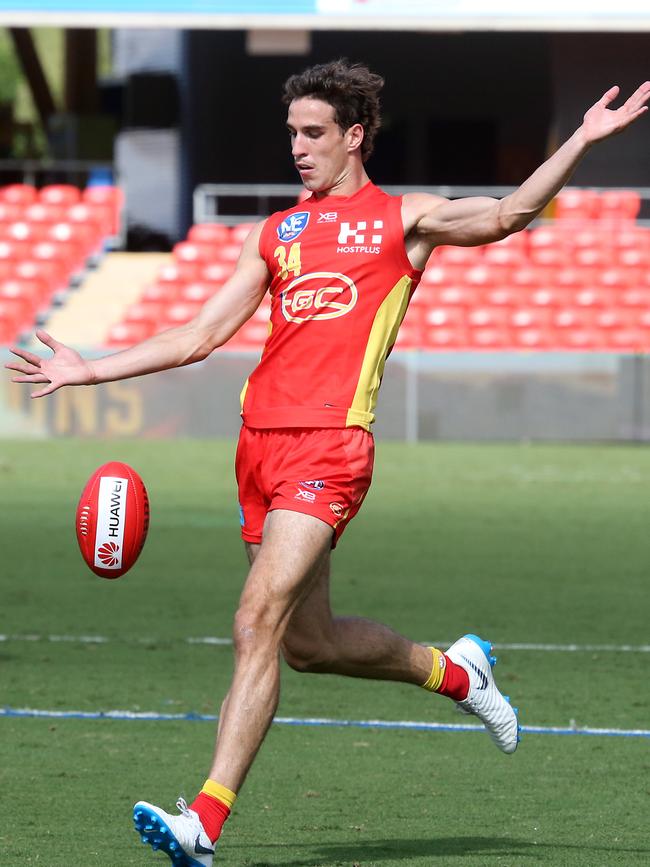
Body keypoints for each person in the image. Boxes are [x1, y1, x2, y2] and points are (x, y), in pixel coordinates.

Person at [7, 60, 649, 866]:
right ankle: (456, 672)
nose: (299, 149)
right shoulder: (274, 232)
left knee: (255, 620)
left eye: (313, 134)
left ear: (354, 136)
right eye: (291, 135)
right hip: (258, 447)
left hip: (331, 449)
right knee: (308, 644)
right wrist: (91, 368)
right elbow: (201, 334)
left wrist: (583, 140)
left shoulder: (402, 220)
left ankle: (202, 822)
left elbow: (510, 213)